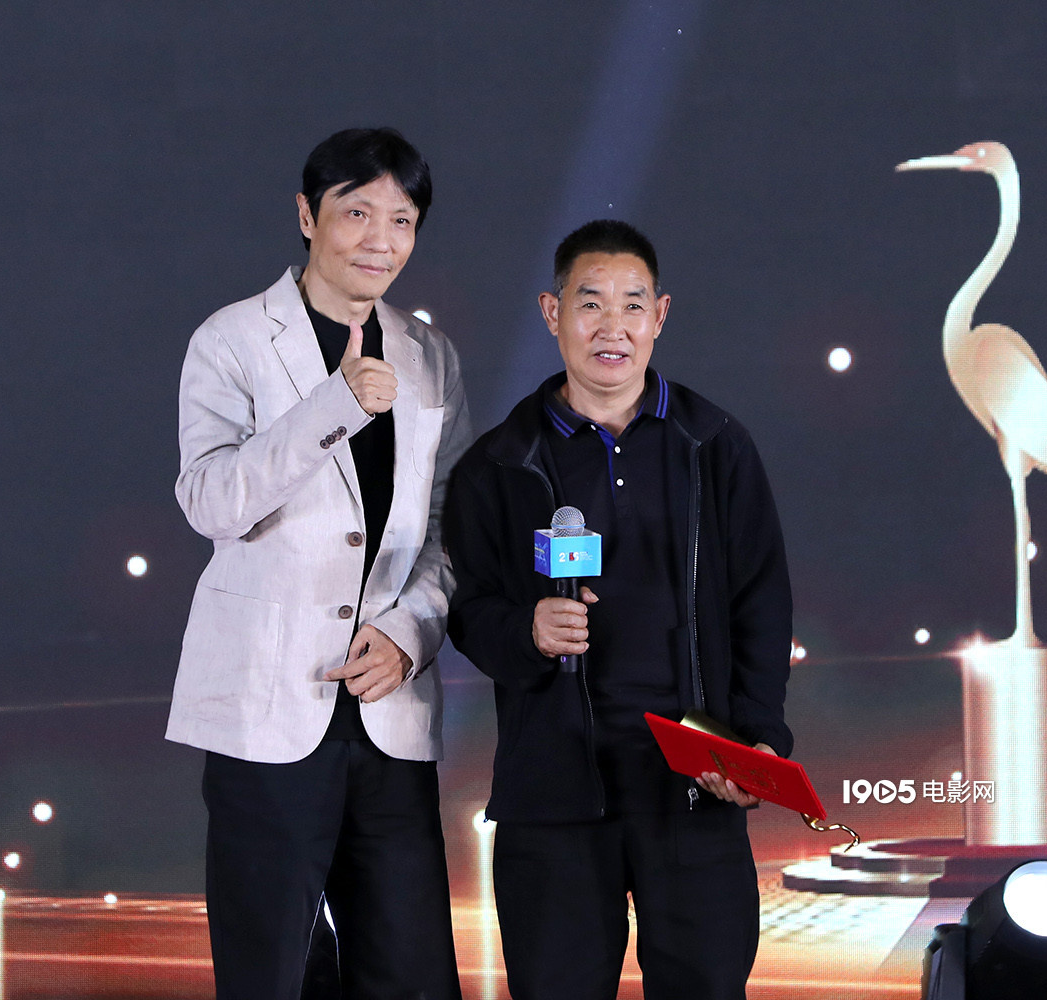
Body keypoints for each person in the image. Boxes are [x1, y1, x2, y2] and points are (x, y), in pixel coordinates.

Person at [443, 220, 793, 999]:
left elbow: (762, 601)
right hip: (554, 794)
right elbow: (465, 611)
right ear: (552, 312)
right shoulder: (498, 464)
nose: (613, 326)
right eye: (590, 302)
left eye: (633, 304)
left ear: (660, 316)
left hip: (692, 782)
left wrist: (757, 736)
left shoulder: (715, 445)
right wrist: (528, 629)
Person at [167, 127, 469, 1000]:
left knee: (409, 974)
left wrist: (411, 633)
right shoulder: (231, 339)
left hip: (387, 707)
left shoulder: (429, 355)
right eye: (357, 212)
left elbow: (451, 523)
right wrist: (332, 404)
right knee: (271, 973)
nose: (381, 239)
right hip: (266, 705)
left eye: (402, 220)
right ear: (307, 216)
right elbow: (211, 502)